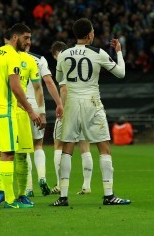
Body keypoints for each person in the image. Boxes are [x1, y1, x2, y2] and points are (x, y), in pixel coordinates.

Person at [52, 18, 130, 206]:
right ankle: (109, 195)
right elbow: (121, 73)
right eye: (93, 31)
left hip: (71, 103)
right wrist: (118, 53)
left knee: (67, 149)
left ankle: (62, 196)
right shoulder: (98, 53)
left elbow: (58, 78)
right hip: (91, 102)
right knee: (104, 147)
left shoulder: (63, 54)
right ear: (89, 34)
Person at [0, 23, 41, 209]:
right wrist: (31, 110)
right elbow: (16, 87)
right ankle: (10, 199)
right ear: (15, 37)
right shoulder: (14, 57)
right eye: (26, 38)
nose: (28, 42)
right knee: (8, 154)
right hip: (4, 111)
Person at [49, 41, 94, 196]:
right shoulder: (82, 60)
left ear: (56, 53)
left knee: (58, 145)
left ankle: (61, 184)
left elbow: (64, 89)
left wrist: (62, 107)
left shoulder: (63, 61)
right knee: (85, 147)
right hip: (86, 107)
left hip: (70, 108)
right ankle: (86, 185)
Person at [24, 37, 63, 197]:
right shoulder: (39, 59)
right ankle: (42, 177)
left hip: (18, 105)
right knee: (38, 145)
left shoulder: (9, 58)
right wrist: (59, 103)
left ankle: (28, 187)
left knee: (24, 149)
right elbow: (48, 81)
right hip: (36, 104)